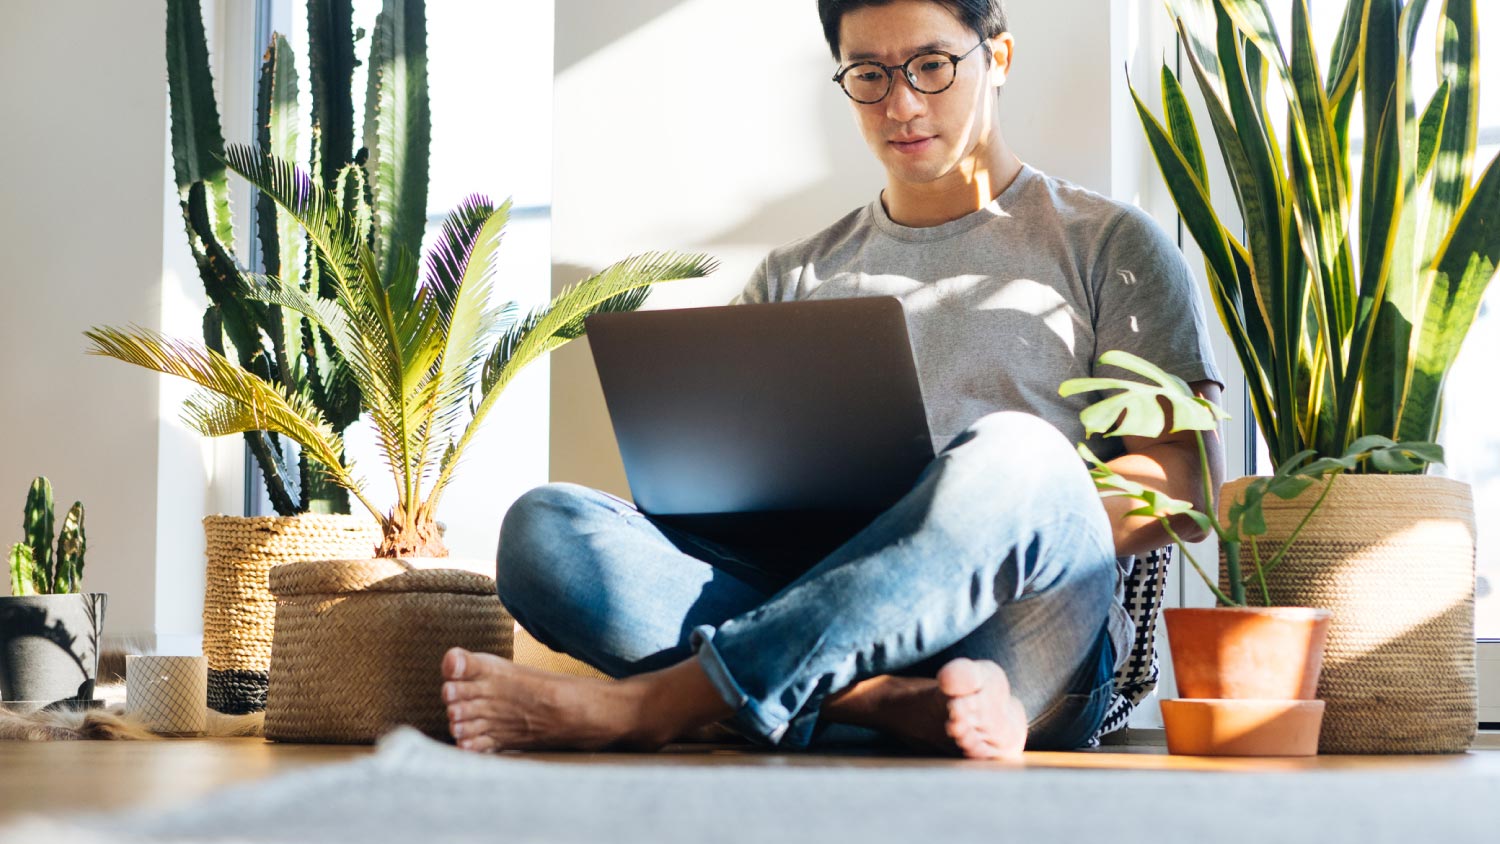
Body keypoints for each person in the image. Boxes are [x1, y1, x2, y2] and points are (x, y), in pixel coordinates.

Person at [439, 0, 1225, 760]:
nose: (902, 103)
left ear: (1000, 58)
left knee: (1022, 456)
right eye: (869, 75)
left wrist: (950, 530)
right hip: (823, 601)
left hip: (1019, 633)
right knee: (545, 529)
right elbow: (725, 501)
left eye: (931, 66)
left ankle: (662, 704)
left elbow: (1181, 486)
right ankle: (880, 705)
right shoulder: (795, 274)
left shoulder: (1111, 244)